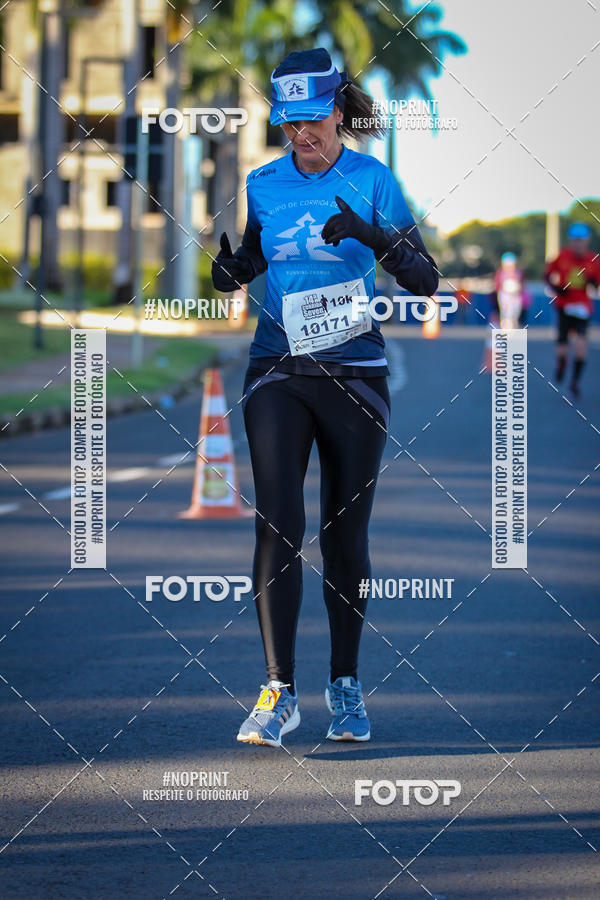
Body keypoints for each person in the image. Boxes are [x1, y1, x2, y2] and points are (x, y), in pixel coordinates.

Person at [211, 48, 439, 747]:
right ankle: (279, 692)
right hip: (278, 366)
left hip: (356, 375)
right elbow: (255, 256)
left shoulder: (373, 179)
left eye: (312, 120)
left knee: (345, 539)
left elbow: (426, 281)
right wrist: (232, 271)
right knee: (277, 521)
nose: (301, 135)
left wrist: (375, 237)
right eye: (289, 123)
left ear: (338, 112)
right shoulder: (264, 182)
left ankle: (345, 683)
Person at [546, 222, 600, 398]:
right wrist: (557, 288)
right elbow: (546, 274)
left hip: (583, 307)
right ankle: (561, 364)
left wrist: (592, 281)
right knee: (562, 345)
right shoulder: (563, 256)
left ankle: (575, 381)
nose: (578, 244)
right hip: (564, 305)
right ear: (571, 241)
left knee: (581, 344)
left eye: (581, 240)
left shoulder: (593, 260)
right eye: (575, 240)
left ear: (586, 241)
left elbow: (597, 284)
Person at [492, 252, 527, 329]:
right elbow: (497, 285)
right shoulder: (501, 273)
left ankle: (514, 330)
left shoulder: (518, 272)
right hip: (505, 296)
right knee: (506, 315)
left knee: (515, 315)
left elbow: (522, 285)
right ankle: (505, 330)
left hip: (516, 296)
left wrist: (518, 287)